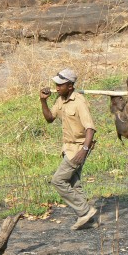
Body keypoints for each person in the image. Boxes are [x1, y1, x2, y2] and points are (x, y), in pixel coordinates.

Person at [40, 68, 97, 230]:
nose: (57, 88)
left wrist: (84, 150)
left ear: (70, 86)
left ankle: (85, 211)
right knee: (74, 183)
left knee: (58, 181)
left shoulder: (79, 102)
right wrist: (43, 101)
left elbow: (90, 129)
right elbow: (50, 118)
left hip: (78, 148)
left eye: (60, 85)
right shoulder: (60, 100)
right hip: (68, 147)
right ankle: (89, 221)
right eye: (56, 85)